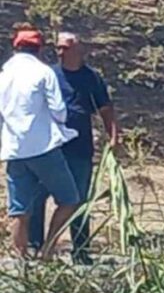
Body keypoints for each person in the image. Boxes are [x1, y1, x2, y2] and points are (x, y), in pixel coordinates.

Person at [27, 32, 120, 265]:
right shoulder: (50, 75)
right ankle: (35, 246)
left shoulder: (91, 78)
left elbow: (105, 109)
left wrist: (114, 137)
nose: (60, 52)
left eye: (65, 47)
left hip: (80, 149)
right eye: (58, 48)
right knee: (38, 196)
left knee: (79, 199)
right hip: (50, 147)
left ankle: (80, 250)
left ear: (79, 49)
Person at [0, 24, 80, 260]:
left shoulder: (4, 75)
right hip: (43, 148)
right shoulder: (44, 73)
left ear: (15, 48)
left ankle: (20, 260)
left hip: (14, 150)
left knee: (19, 210)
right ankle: (47, 250)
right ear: (40, 49)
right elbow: (59, 111)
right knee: (69, 199)